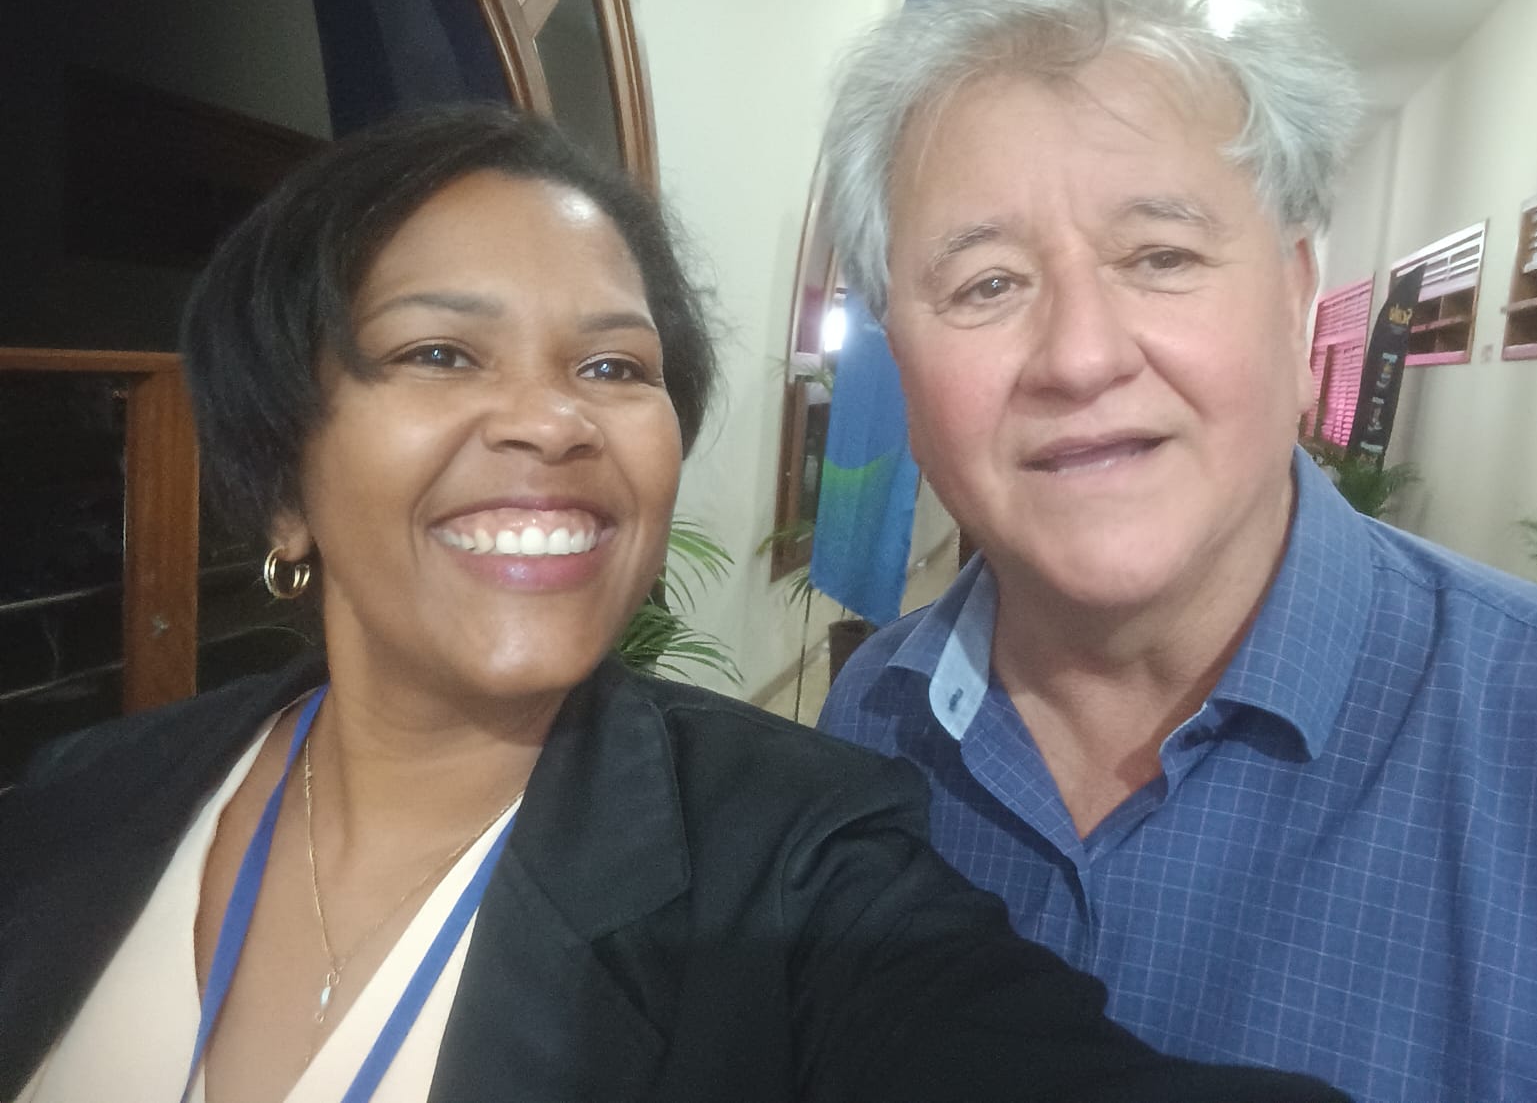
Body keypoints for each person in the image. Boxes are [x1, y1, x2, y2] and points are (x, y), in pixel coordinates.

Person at [0, 106, 1348, 1103]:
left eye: (612, 365)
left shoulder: (796, 863)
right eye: (440, 351)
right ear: (282, 477)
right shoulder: (81, 796)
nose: (552, 420)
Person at [816, 0, 1537, 1103]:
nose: (1079, 355)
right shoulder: (874, 714)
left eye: (1160, 256)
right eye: (986, 283)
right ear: (901, 370)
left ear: (1294, 298)